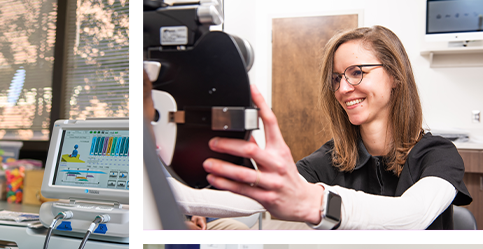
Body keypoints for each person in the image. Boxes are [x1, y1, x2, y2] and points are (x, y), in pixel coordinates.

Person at [199, 26, 471, 229]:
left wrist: (319, 203)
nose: (342, 89)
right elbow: (263, 198)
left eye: (356, 72)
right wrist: (192, 202)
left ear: (395, 76)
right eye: (337, 78)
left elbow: (416, 214)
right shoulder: (330, 159)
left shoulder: (439, 155)